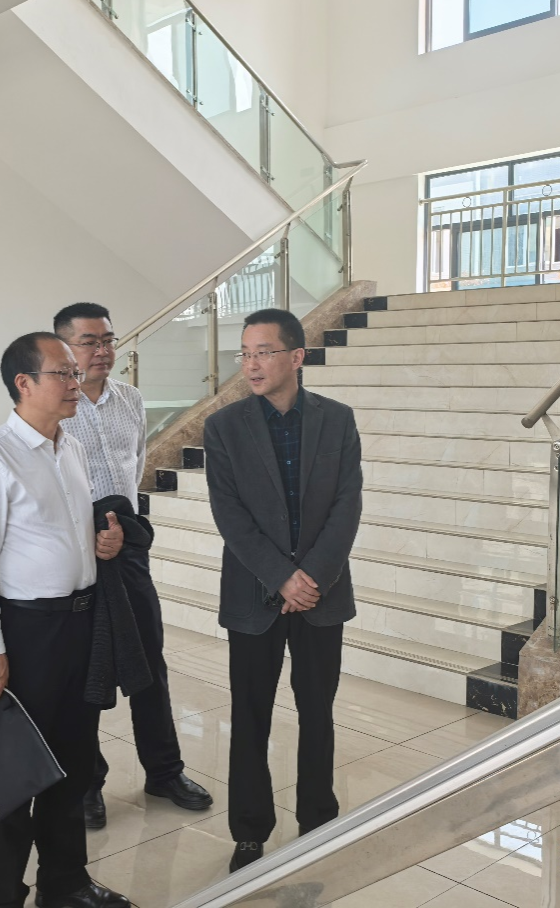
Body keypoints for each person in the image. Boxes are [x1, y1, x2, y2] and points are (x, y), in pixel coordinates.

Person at [0, 332, 132, 908]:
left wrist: (102, 544)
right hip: (28, 632)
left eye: (76, 373)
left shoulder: (70, 447)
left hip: (80, 623)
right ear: (24, 383)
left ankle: (65, 883)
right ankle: (0, 895)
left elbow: (66, 531)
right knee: (13, 773)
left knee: (72, 763)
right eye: (64, 373)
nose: (77, 383)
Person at [202, 308, 363, 873]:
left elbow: (347, 504)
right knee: (250, 716)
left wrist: (311, 577)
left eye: (264, 352)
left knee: (318, 712)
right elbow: (230, 515)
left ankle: (318, 820)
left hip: (322, 594)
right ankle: (250, 832)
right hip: (254, 595)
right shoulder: (223, 427)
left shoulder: (337, 420)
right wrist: (281, 577)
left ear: (296, 357)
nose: (251, 364)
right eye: (245, 354)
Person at [53, 302, 213, 828]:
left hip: (128, 547)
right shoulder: (56, 406)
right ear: (64, 349)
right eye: (89, 342)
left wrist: (123, 529)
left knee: (149, 660)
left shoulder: (131, 399)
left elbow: (135, 468)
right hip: (76, 554)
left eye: (108, 340)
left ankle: (164, 771)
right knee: (84, 670)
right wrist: (90, 534)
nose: (102, 351)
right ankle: (86, 784)